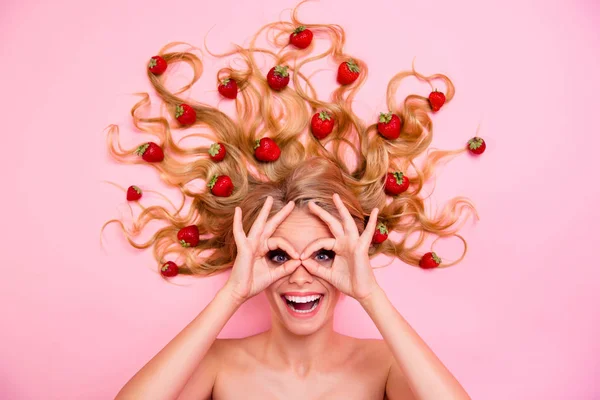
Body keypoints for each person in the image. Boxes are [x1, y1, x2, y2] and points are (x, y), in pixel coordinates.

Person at [107, 2, 477, 398]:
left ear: (351, 258)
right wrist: (231, 295)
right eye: (279, 256)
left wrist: (371, 296)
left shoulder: (385, 365)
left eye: (324, 254)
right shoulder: (218, 364)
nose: (301, 275)